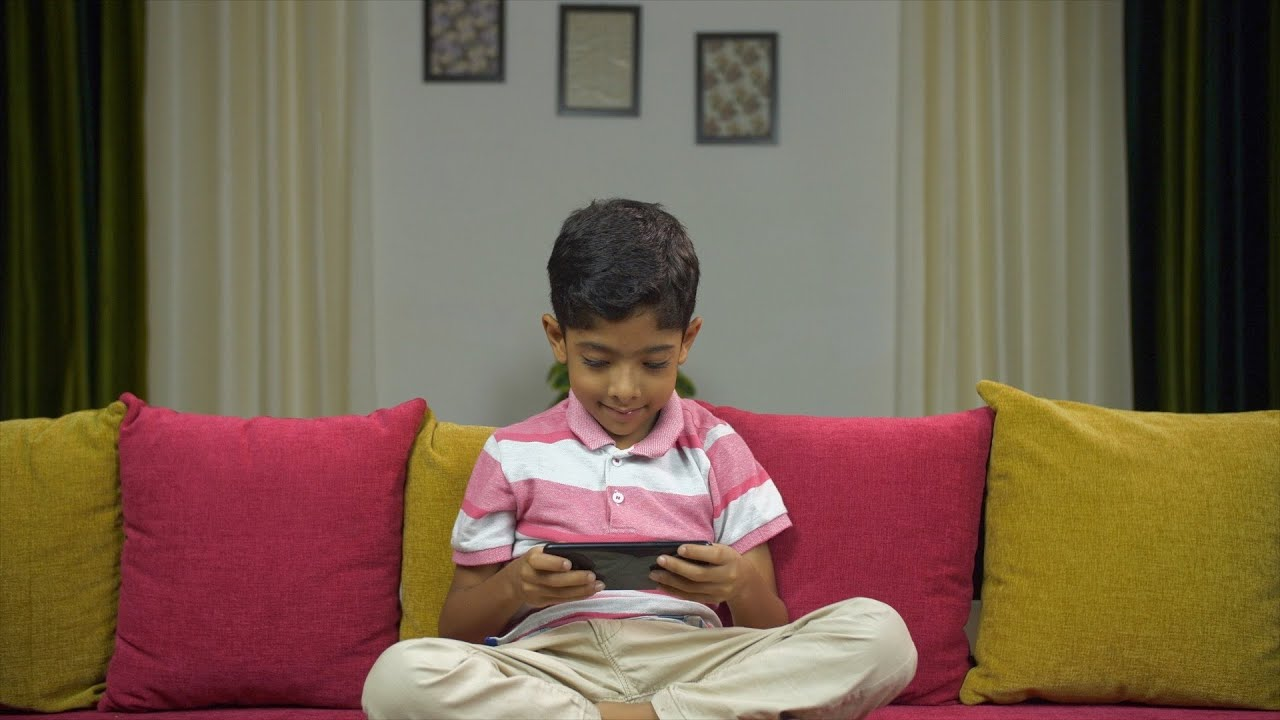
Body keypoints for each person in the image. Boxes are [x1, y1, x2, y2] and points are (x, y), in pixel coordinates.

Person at [362, 198, 917, 720]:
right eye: (598, 361)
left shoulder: (716, 447)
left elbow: (764, 625)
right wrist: (514, 587)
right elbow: (453, 629)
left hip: (691, 664)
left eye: (653, 363)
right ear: (557, 338)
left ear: (686, 342)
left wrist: (738, 586)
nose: (625, 389)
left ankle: (648, 715)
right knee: (398, 676)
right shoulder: (511, 454)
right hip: (554, 665)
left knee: (882, 633)